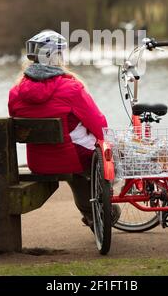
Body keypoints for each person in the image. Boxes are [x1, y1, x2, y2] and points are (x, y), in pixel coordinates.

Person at [8, 29, 120, 230]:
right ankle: (98, 209)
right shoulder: (70, 88)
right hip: (72, 159)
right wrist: (110, 143)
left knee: (71, 161)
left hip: (39, 161)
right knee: (99, 156)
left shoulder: (16, 92)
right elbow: (98, 123)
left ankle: (91, 212)